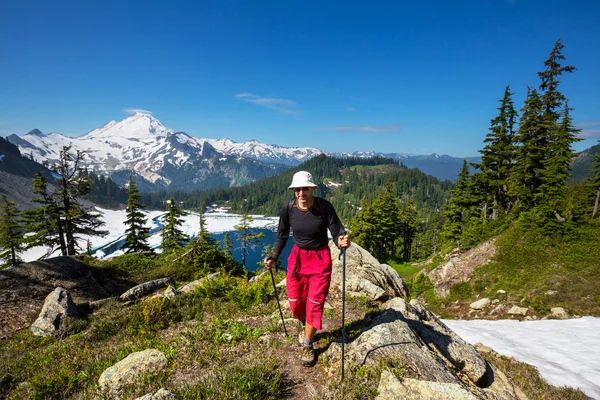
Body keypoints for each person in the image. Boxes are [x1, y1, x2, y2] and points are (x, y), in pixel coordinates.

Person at [264, 170, 350, 367]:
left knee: (315, 303)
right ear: (294, 190)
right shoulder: (289, 208)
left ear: (312, 189)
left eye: (305, 189)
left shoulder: (324, 207)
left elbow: (336, 231)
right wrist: (275, 256)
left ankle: (308, 343)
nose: (301, 193)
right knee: (295, 303)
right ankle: (304, 324)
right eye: (298, 189)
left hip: (320, 259)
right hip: (298, 257)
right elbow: (282, 234)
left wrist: (341, 241)